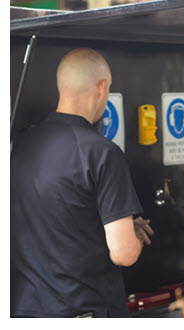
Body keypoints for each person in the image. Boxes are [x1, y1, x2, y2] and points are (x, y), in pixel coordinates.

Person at [10, 48, 154, 318]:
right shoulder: (103, 153)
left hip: (24, 313)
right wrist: (131, 234)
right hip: (83, 313)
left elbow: (62, 220)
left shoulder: (20, 144)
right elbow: (124, 254)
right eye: (109, 88)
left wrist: (117, 222)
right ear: (101, 88)